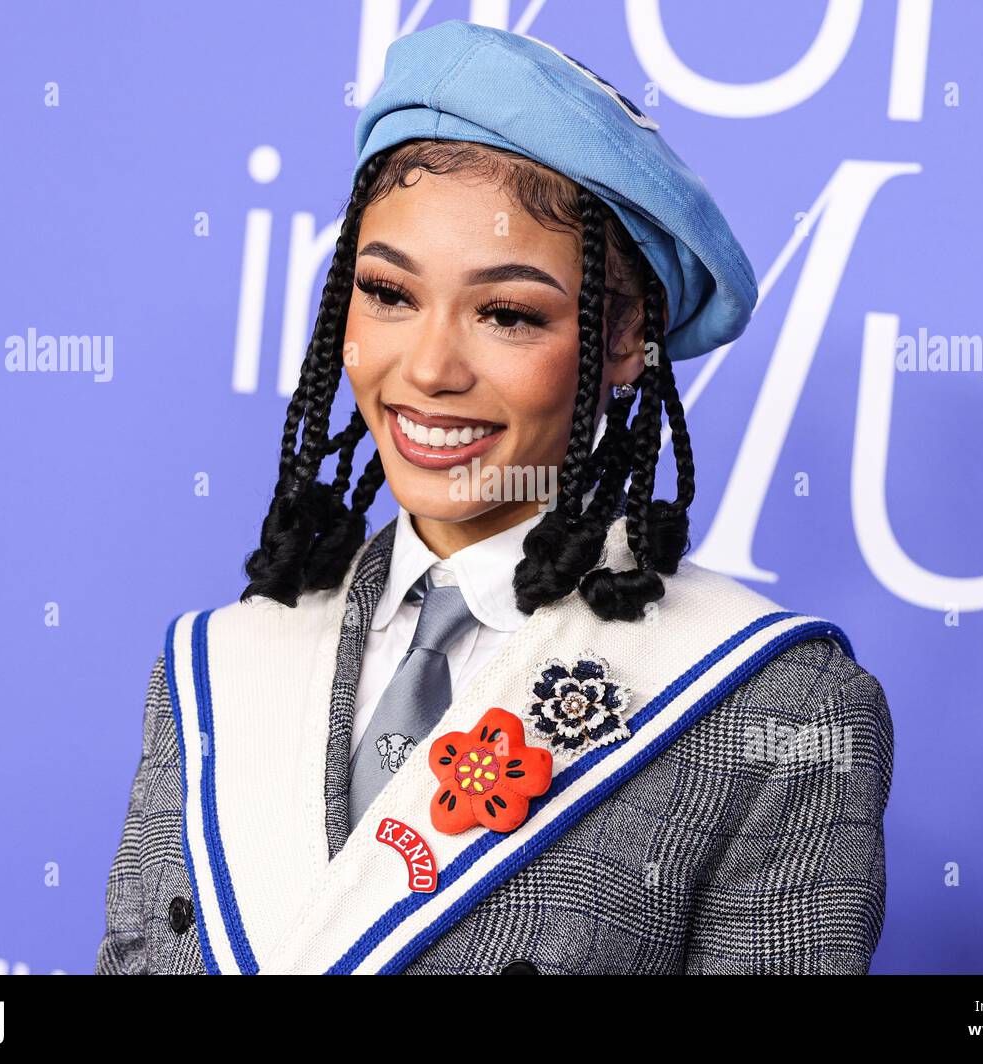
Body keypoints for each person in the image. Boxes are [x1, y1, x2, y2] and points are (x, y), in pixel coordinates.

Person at [95, 20, 894, 975]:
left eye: (506, 313)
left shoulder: (776, 709)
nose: (428, 368)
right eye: (389, 293)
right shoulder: (215, 669)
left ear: (628, 339)